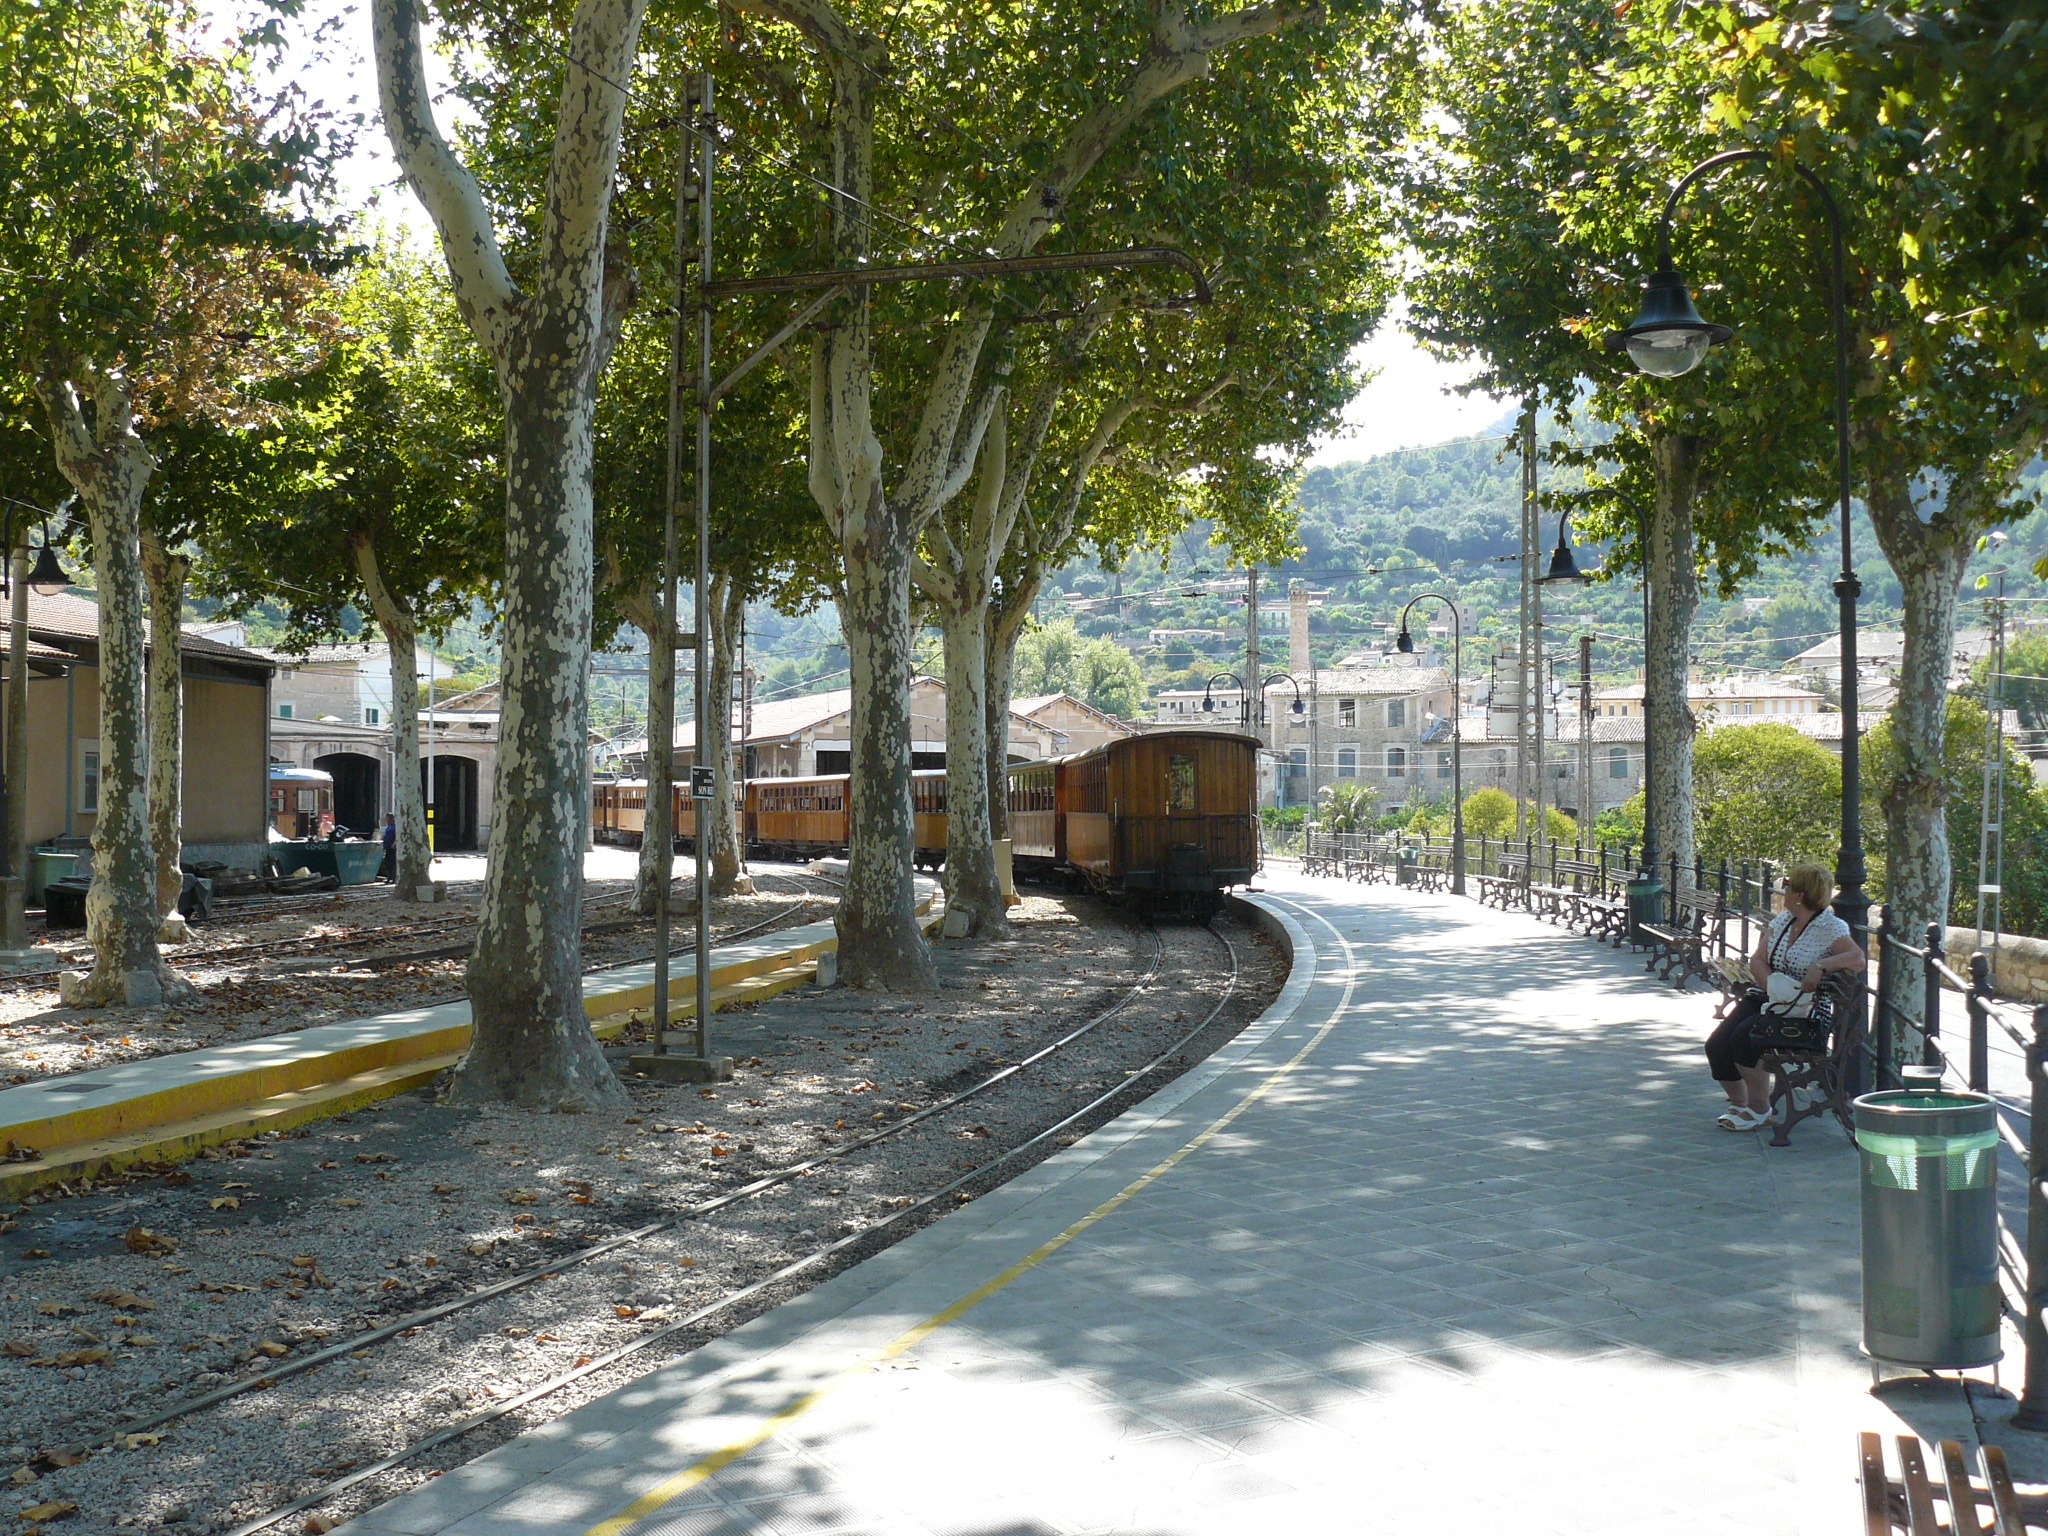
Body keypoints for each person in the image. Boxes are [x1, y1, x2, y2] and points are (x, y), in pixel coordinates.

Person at [1704, 863, 1866, 1131]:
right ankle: (1740, 1102)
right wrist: (1773, 986)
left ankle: (1760, 1109)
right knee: (1717, 1045)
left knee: (1744, 1039)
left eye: (1788, 884)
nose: (1784, 889)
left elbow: (1857, 958)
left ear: (1800, 894)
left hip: (1803, 1011)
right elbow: (1758, 958)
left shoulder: (1829, 927)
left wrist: (1821, 966)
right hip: (1772, 998)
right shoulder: (1783, 920)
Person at [379, 813, 397, 883]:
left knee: (393, 863)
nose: (386, 819)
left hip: (392, 847)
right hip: (387, 847)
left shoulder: (394, 826)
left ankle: (394, 878)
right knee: (388, 862)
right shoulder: (388, 827)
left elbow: (397, 835)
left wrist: (394, 843)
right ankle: (389, 877)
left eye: (387, 818)